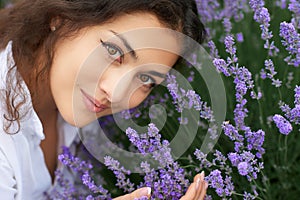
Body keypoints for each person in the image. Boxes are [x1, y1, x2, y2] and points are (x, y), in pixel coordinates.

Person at [0, 0, 207, 199]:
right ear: (61, 17)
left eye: (145, 79)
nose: (116, 93)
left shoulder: (80, 112)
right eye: (114, 51)